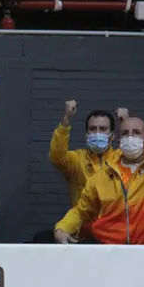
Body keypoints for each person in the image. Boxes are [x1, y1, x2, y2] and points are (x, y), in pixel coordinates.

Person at [54, 87, 144, 245]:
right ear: (118, 141)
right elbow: (81, 210)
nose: (130, 137)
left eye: (136, 132)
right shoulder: (104, 175)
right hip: (110, 253)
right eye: (125, 133)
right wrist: (61, 229)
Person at [38, 102, 124, 243]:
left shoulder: (120, 160)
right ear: (86, 135)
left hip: (112, 233)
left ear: (112, 136)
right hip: (81, 233)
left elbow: (136, 154)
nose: (97, 133)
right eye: (92, 129)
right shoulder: (77, 159)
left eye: (102, 129)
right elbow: (56, 156)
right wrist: (66, 120)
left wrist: (125, 123)